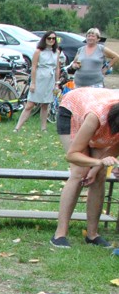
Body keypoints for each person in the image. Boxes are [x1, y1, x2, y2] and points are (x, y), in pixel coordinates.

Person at [50, 87, 119, 248]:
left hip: (95, 110)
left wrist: (97, 169)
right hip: (73, 110)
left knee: (100, 174)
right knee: (79, 172)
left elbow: (114, 149)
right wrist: (98, 162)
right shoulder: (97, 116)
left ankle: (92, 235)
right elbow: (72, 155)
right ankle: (59, 234)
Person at [15, 32, 63, 133]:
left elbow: (57, 68)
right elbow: (33, 67)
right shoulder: (38, 51)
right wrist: (33, 83)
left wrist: (56, 83)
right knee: (30, 104)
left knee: (45, 105)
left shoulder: (57, 52)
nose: (51, 40)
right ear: (45, 39)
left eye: (53, 39)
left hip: (50, 80)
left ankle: (43, 128)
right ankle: (17, 127)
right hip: (39, 78)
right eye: (49, 38)